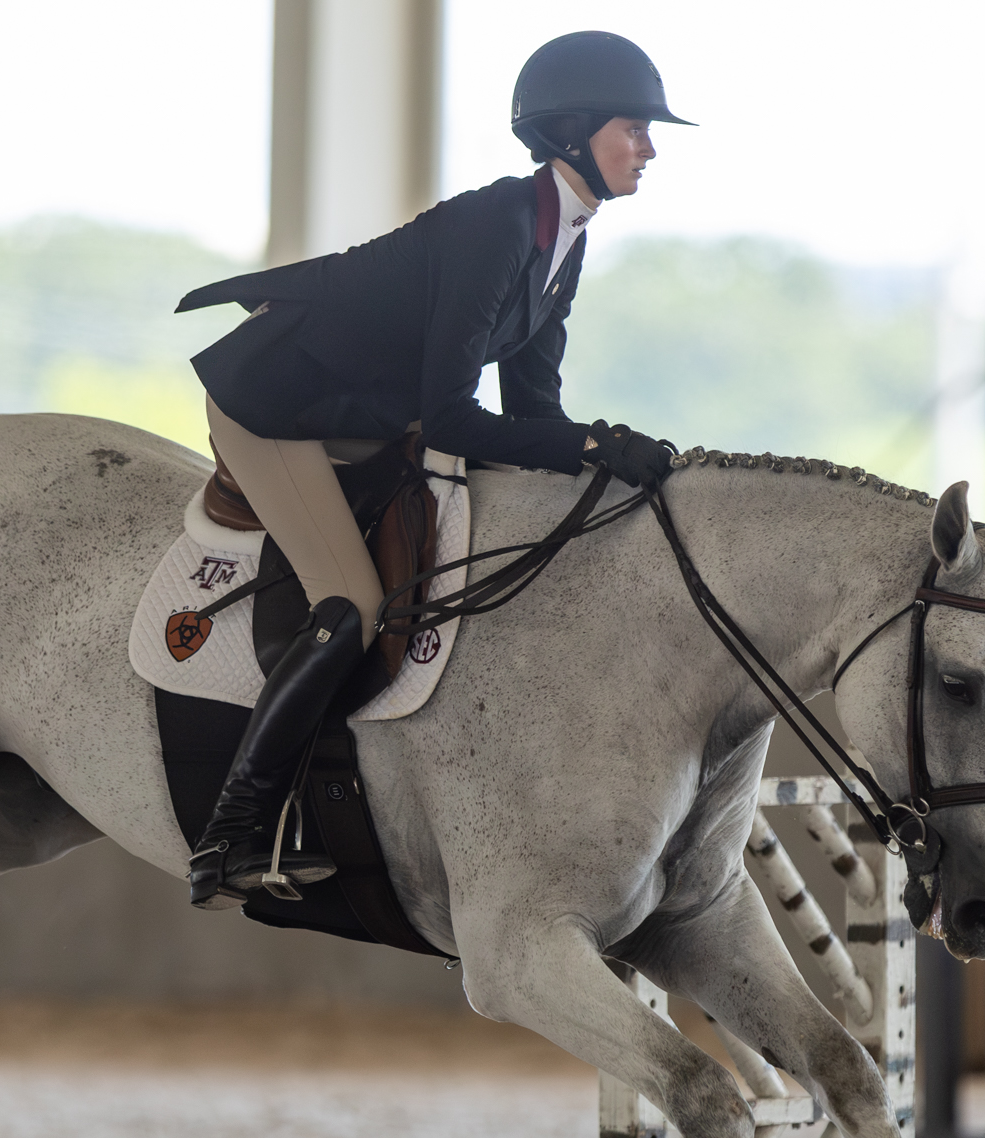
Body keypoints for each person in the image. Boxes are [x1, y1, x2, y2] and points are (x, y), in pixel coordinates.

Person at [176, 30, 690, 910]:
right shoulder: (498, 227)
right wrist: (598, 447)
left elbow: (532, 413)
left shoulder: (563, 237)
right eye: (634, 127)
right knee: (352, 609)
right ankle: (233, 832)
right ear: (572, 131)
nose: (650, 147)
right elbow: (455, 417)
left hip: (361, 415)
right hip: (277, 409)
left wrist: (599, 461)